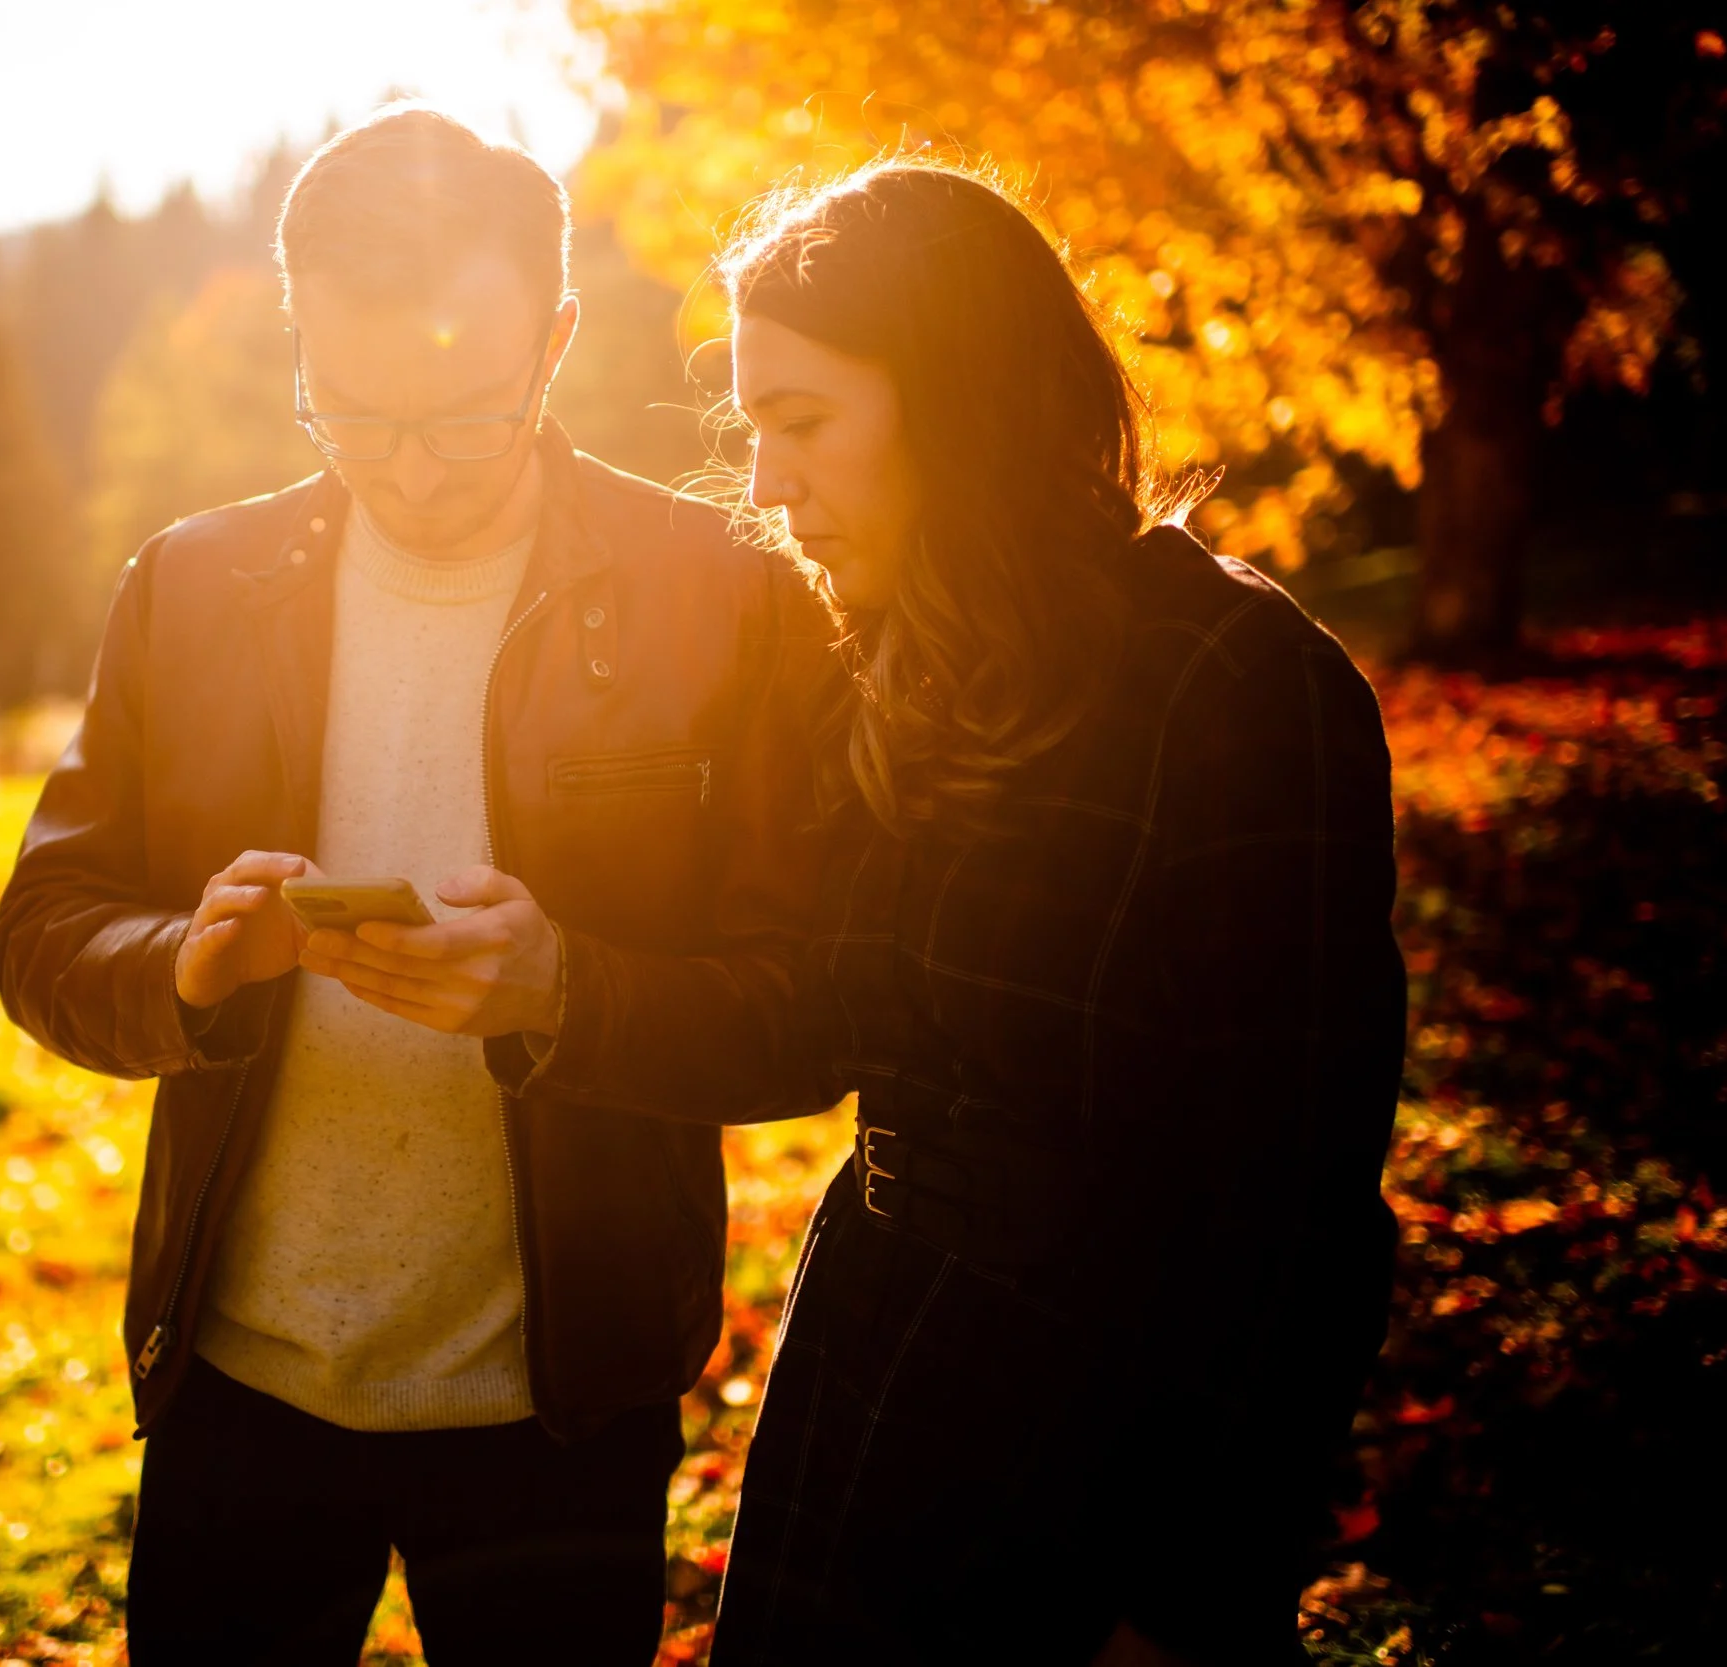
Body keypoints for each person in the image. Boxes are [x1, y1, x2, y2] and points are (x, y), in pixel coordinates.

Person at [490, 159, 1408, 1664]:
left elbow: (1294, 1224)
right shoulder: (898, 662)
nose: (766, 483)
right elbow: (836, 1006)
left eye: (803, 422)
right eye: (751, 425)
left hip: (1105, 1442)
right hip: (879, 1376)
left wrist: (1176, 1597)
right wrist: (553, 985)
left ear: (961, 399)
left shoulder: (1243, 691)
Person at [0, 105, 836, 1665]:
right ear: (298, 339)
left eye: (462, 413)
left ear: (558, 339)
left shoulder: (719, 596)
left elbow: (818, 1000)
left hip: (562, 1403)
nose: (412, 470)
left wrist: (567, 993)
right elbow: (44, 926)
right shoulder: (188, 586)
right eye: (354, 410)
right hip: (237, 1390)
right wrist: (187, 965)